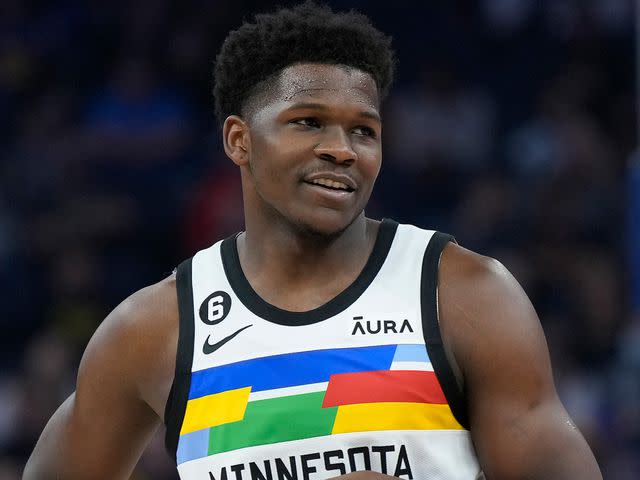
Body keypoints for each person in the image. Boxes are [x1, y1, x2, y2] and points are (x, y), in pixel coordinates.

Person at [24, 2, 602, 479]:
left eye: (364, 130)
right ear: (239, 141)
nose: (343, 149)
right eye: (308, 122)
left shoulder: (466, 296)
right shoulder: (155, 329)